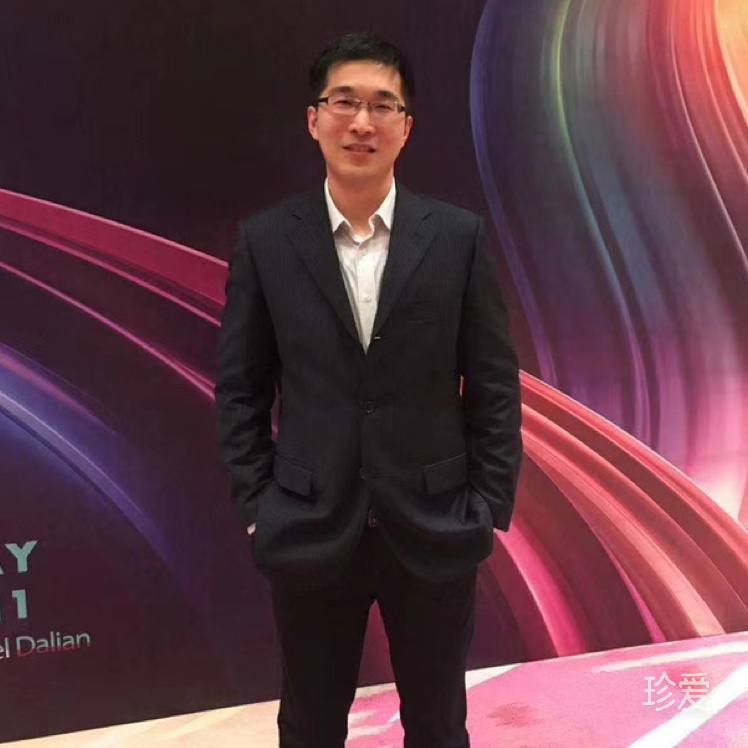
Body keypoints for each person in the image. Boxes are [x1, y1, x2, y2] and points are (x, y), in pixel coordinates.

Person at [216, 31, 522, 748]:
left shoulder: (457, 238)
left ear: (406, 126)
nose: (362, 121)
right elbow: (240, 389)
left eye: (383, 105)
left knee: (438, 725)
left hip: (435, 524)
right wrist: (260, 508)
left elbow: (494, 384)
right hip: (309, 524)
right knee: (310, 725)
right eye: (344, 102)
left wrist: (485, 506)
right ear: (314, 118)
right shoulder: (267, 241)